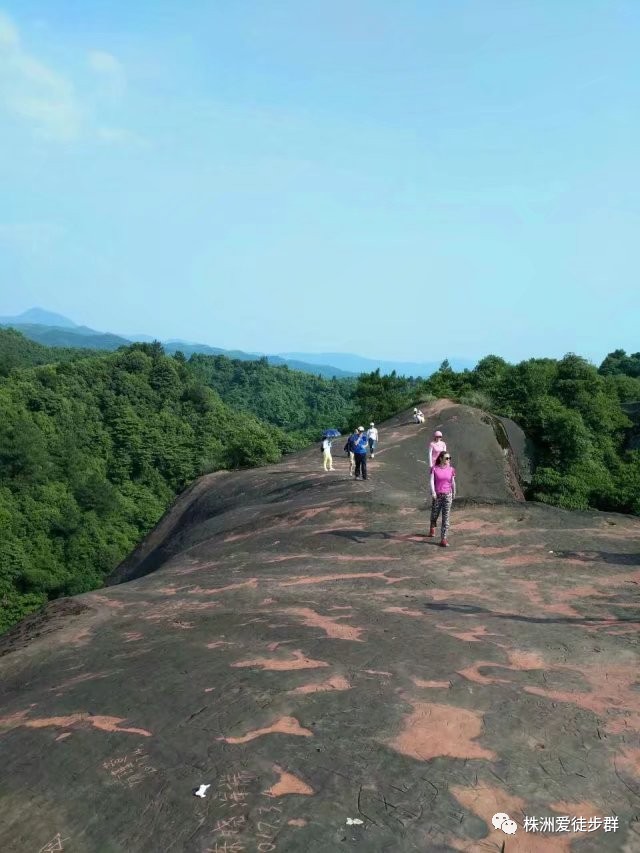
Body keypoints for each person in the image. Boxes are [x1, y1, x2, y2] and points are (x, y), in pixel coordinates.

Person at [429, 450, 456, 546]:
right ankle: (432, 525)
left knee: (446, 518)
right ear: (441, 458)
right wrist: (433, 492)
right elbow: (432, 481)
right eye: (447, 458)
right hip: (437, 495)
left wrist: (454, 492)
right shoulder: (434, 469)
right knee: (434, 515)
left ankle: (443, 539)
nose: (449, 460)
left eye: (449, 458)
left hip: (447, 495)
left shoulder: (451, 469)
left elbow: (452, 481)